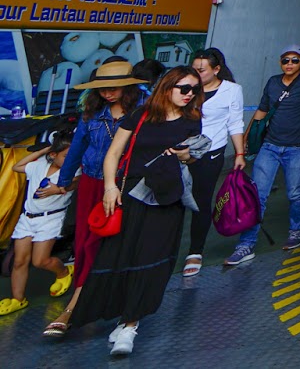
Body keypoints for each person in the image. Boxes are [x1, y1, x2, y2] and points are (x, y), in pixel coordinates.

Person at [73, 68, 206, 356]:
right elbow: (113, 153)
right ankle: (122, 318)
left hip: (166, 198)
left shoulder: (192, 120)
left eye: (195, 89)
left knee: (151, 261)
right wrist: (110, 187)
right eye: (184, 88)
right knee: (121, 256)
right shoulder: (141, 115)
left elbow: (191, 158)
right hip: (132, 195)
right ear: (167, 87)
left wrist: (187, 156)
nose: (189, 94)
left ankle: (130, 326)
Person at [44, 58, 144, 338]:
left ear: (127, 86)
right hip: (91, 184)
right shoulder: (92, 112)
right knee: (86, 243)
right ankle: (77, 304)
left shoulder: (142, 111)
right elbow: (77, 147)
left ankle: (85, 306)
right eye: (102, 88)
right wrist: (64, 181)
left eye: (114, 88)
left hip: (123, 186)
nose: (108, 93)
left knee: (114, 245)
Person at [226, 45, 300, 266]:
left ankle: (297, 230)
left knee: (295, 193)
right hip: (269, 146)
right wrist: (248, 137)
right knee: (257, 195)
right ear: (280, 62)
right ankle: (246, 244)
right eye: (285, 60)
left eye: (295, 60)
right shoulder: (272, 82)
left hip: (297, 148)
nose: (289, 64)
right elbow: (261, 111)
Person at [183, 48, 246, 277]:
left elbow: (235, 122)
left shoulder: (232, 90)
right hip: (181, 151)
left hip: (210, 153)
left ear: (216, 69)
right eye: (194, 69)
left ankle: (195, 251)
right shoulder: (186, 87)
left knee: (201, 201)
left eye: (201, 70)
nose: (196, 74)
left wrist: (239, 153)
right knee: (173, 200)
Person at [0, 132, 74, 316]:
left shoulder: (73, 170)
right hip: (27, 218)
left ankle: (64, 272)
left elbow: (77, 183)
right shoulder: (39, 165)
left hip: (50, 218)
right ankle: (18, 299)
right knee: (19, 261)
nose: (70, 159)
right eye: (66, 155)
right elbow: (17, 167)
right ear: (53, 155)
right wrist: (43, 151)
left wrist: (59, 189)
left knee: (40, 261)